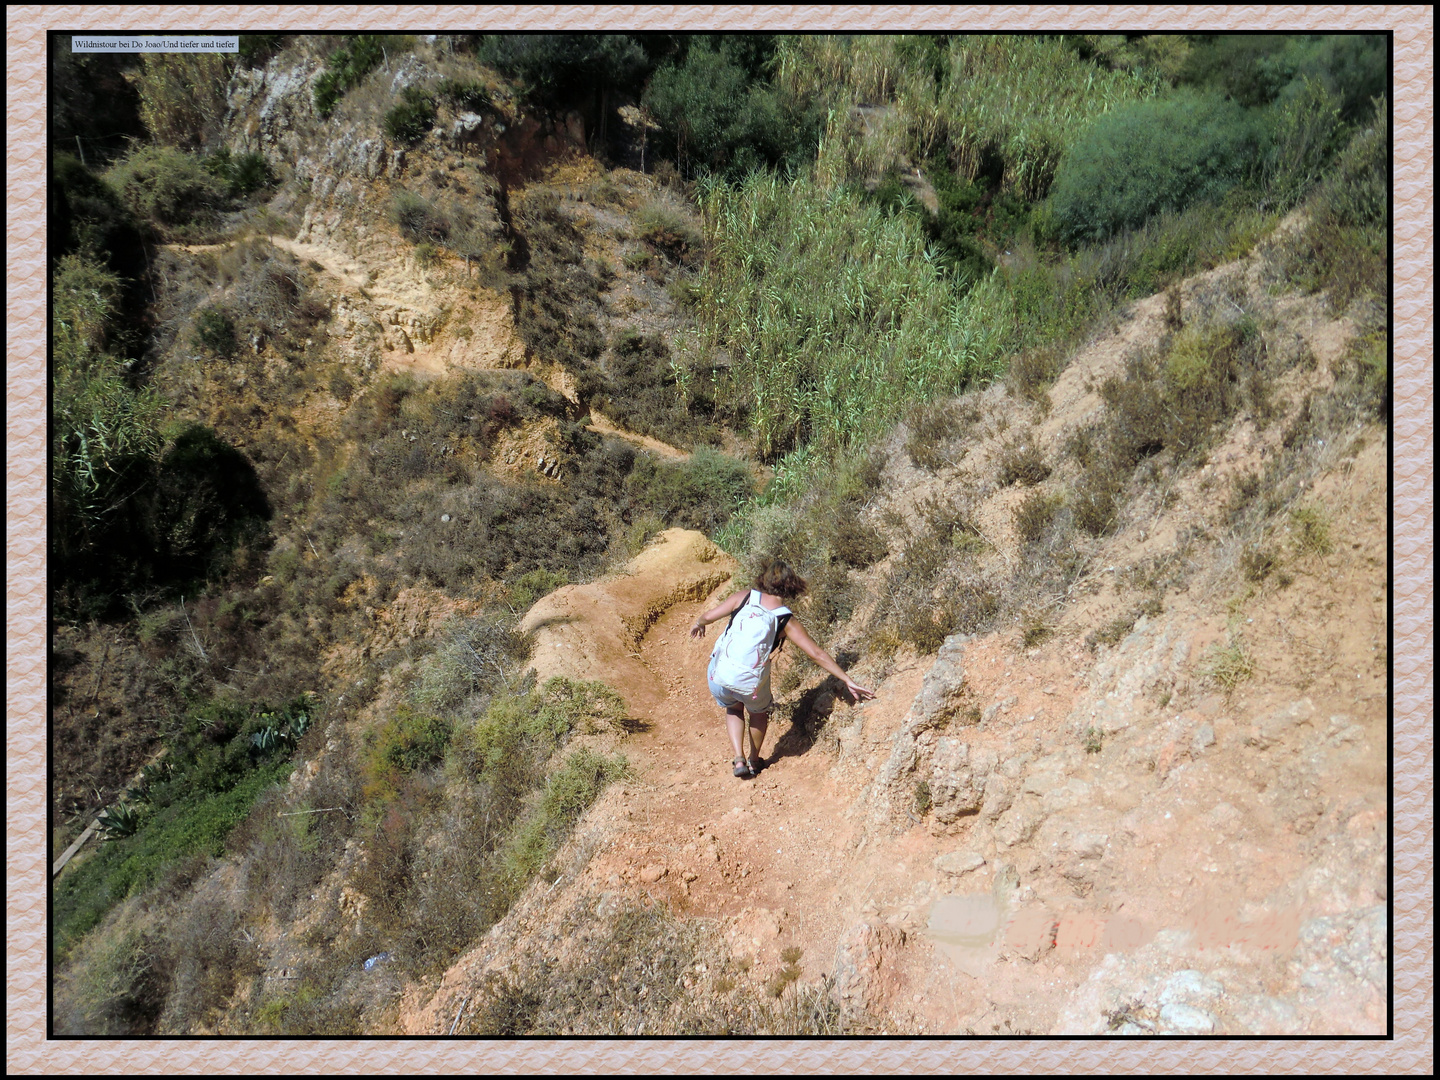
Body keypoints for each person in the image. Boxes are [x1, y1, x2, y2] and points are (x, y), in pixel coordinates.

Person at [691, 557, 875, 778]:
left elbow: (709, 616)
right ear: (791, 585)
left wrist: (699, 623)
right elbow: (816, 654)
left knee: (733, 708)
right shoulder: (785, 619)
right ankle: (754, 759)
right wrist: (847, 679)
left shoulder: (745, 597)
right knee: (758, 711)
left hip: (719, 676)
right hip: (751, 684)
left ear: (764, 578)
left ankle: (738, 758)